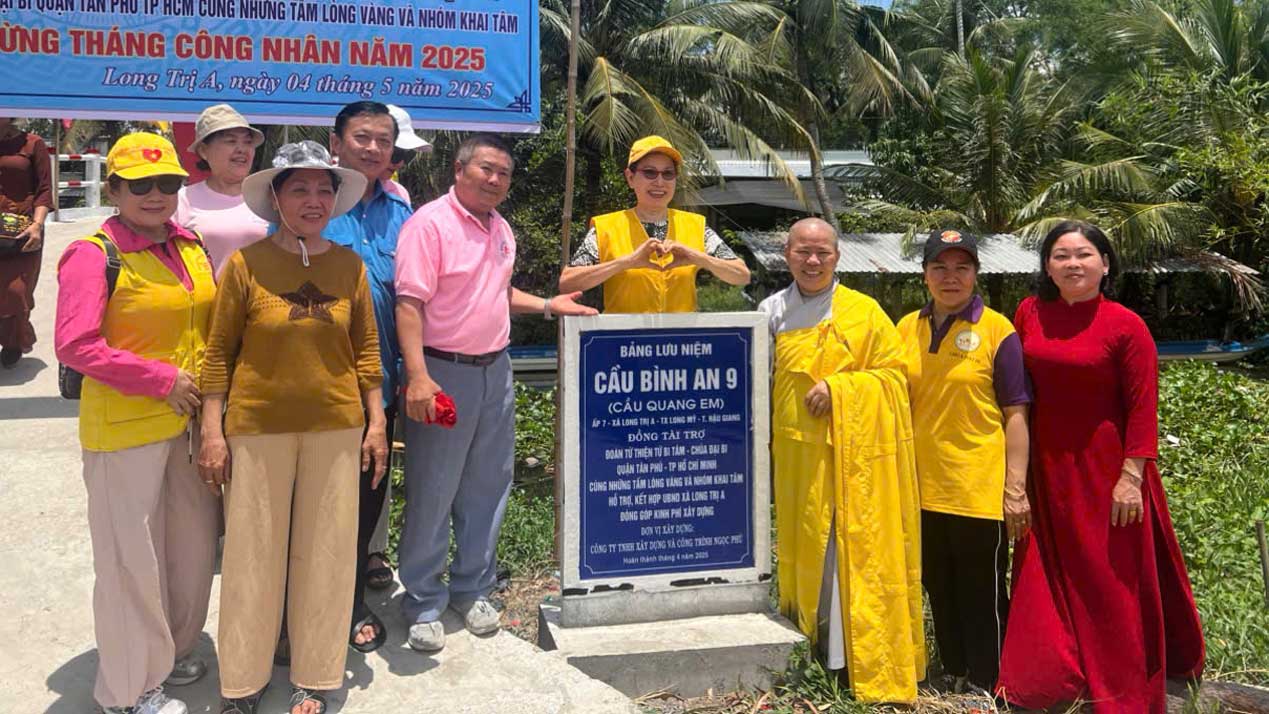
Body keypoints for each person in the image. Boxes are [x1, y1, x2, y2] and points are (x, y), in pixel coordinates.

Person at [198, 141, 387, 714]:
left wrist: (376, 421)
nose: (313, 199)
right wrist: (212, 430)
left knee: (327, 557)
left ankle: (315, 675)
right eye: (299, 188)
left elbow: (367, 352)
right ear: (275, 197)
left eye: (323, 189)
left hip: (337, 429)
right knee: (253, 558)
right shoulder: (246, 266)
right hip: (257, 429)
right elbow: (217, 353)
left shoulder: (350, 267)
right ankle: (243, 682)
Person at [394, 133, 596, 652]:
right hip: (443, 373)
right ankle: (421, 600)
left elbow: (497, 292)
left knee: (488, 486)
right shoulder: (429, 224)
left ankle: (472, 589)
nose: (495, 180)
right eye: (486, 169)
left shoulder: (500, 227)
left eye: (504, 174)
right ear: (459, 171)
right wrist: (417, 376)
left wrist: (550, 305)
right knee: (434, 487)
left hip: (495, 370)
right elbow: (410, 304)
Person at [995, 220, 1206, 712]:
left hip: (1106, 472)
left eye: (1084, 254)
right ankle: (1052, 674)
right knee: (1047, 568)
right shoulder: (1028, 313)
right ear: (1047, 266)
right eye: (1061, 255)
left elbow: (1142, 408)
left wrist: (1131, 478)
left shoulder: (1125, 324)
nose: (1073, 264)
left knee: (1109, 576)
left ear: (1105, 264)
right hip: (1045, 469)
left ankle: (1118, 681)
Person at [55, 132, 219, 714]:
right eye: (140, 185)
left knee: (190, 552)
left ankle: (168, 656)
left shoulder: (188, 244)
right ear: (115, 188)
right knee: (129, 561)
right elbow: (76, 344)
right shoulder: (94, 254)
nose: (156, 194)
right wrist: (161, 380)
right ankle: (128, 689)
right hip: (125, 429)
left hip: (187, 429)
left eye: (169, 183)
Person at [758, 217, 925, 704]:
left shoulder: (865, 312)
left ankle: (852, 658)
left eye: (823, 253)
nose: (812, 261)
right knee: (803, 552)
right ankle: (807, 650)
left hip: (856, 464)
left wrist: (841, 387)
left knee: (846, 553)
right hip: (795, 460)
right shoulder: (771, 311)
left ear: (837, 257)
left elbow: (894, 379)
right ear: (786, 254)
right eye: (803, 252)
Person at [895, 230, 1031, 695]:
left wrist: (1016, 489)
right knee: (938, 585)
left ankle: (990, 682)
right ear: (925, 274)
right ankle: (952, 672)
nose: (950, 277)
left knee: (983, 592)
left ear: (976, 274)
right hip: (920, 487)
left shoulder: (998, 330)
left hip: (978, 487)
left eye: (962, 268)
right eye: (940, 267)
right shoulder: (905, 328)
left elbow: (1016, 415)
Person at [320, 100, 413, 649]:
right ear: (336, 141)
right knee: (312, 505)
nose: (374, 148)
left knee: (363, 501)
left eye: (383, 139)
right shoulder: (308, 200)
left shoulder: (403, 213)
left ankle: (351, 602)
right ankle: (300, 614)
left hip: (382, 384)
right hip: (316, 385)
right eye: (362, 137)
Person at [558, 135, 749, 312]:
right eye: (649, 173)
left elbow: (741, 275)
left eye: (668, 174)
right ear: (630, 178)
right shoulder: (606, 228)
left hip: (681, 345)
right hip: (625, 345)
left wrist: (698, 257)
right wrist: (627, 262)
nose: (659, 182)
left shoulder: (696, 227)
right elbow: (568, 282)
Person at [174, 104, 268, 277]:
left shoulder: (269, 198)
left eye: (247, 142)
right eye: (231, 141)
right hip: (205, 302)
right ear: (203, 150)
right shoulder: (181, 201)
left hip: (261, 302)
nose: (241, 149)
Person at [0, 118, 53, 367]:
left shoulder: (33, 144)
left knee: (16, 291)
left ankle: (14, 339)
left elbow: (44, 190)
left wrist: (38, 225)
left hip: (22, 230)